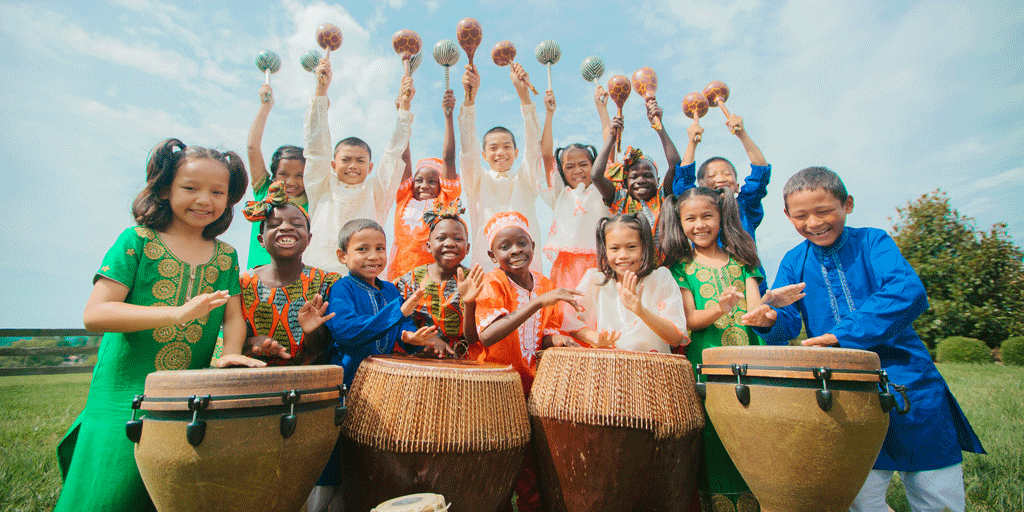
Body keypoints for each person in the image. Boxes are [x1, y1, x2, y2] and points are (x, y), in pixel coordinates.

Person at [742, 167, 985, 512]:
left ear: (848, 205)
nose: (814, 223)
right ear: (787, 215)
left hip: (909, 380)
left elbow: (907, 290)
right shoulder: (794, 260)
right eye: (801, 216)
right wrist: (769, 322)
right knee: (858, 497)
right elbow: (788, 322)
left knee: (936, 494)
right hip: (842, 389)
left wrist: (841, 335)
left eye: (824, 211)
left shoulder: (873, 242)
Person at [55, 139, 265, 512]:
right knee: (109, 491)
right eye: (191, 188)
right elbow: (96, 313)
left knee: (169, 491)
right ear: (166, 189)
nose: (205, 200)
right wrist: (175, 314)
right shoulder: (136, 241)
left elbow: (233, 316)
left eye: (217, 192)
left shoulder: (226, 256)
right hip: (123, 396)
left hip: (187, 398)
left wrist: (230, 355)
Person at [659, 185, 802, 511]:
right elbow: (690, 320)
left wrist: (769, 308)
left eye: (707, 216)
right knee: (715, 438)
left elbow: (755, 312)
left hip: (751, 363)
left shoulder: (743, 261)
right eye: (690, 219)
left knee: (756, 435)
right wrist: (720, 309)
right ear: (680, 223)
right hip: (706, 367)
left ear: (721, 217)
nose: (700, 225)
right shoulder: (680, 268)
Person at [312, 219, 454, 512]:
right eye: (362, 249)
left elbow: (400, 328)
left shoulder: (389, 290)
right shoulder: (341, 289)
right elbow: (348, 331)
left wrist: (410, 338)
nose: (373, 256)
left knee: (366, 464)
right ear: (342, 256)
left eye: (380, 248)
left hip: (381, 391)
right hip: (347, 386)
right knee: (334, 462)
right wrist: (398, 313)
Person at [474, 211, 589, 512]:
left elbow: (543, 334)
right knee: (497, 464)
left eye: (521, 243)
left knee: (533, 468)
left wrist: (558, 340)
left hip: (532, 386)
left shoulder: (544, 284)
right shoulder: (493, 282)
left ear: (533, 246)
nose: (515, 251)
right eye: (505, 246)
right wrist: (538, 302)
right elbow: (487, 335)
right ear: (492, 255)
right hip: (495, 387)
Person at [303, 56, 415, 274]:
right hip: (317, 276)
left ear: (370, 167)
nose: (353, 165)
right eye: (346, 160)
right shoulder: (321, 185)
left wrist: (404, 110)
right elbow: (316, 148)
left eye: (360, 160)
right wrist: (320, 92)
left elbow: (393, 156)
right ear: (333, 165)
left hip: (363, 280)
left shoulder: (376, 192)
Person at [239, 182, 339, 365]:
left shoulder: (326, 282)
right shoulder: (242, 284)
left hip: (308, 379)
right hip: (252, 377)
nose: (286, 227)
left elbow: (323, 349)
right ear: (261, 240)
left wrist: (311, 331)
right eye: (274, 224)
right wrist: (252, 343)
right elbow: (225, 341)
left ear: (309, 239)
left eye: (297, 224)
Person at [672, 110, 771, 293]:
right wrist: (692, 142)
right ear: (700, 187)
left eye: (727, 174)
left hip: (751, 288)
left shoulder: (745, 207)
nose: (721, 179)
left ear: (737, 186)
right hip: (708, 288)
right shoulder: (698, 215)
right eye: (711, 176)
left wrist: (742, 134)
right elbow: (682, 187)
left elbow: (760, 173)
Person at [458, 62, 544, 272]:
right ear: (484, 155)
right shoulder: (476, 180)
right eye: (493, 148)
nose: (500, 152)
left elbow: (534, 147)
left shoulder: (526, 179)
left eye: (506, 146)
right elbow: (468, 148)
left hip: (528, 268)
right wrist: (470, 99)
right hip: (487, 267)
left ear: (516, 152)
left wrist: (524, 96)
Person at [575, 214, 686, 353]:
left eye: (631, 247)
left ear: (645, 247)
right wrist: (593, 337)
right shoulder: (596, 280)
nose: (623, 255)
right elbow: (569, 321)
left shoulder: (660, 279)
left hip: (651, 364)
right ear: (605, 250)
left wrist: (640, 310)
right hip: (607, 363)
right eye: (614, 248)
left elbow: (676, 338)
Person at [394, 200, 485, 359]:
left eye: (458, 239)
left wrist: (469, 303)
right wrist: (428, 339)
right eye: (441, 238)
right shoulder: (410, 281)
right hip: (418, 360)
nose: (449, 243)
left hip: (462, 363)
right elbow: (397, 321)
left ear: (468, 248)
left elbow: (473, 337)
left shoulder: (474, 281)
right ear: (429, 246)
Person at [388, 88, 461, 280]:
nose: (423, 185)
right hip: (401, 278)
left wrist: (448, 116)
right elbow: (404, 157)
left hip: (435, 280)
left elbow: (448, 158)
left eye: (432, 181)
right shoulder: (404, 198)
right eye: (418, 180)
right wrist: (402, 114)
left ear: (441, 185)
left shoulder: (445, 201)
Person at [538, 89, 607, 290]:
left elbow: (609, 147)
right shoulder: (559, 193)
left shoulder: (603, 189)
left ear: (594, 165)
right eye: (569, 166)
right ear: (561, 171)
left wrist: (602, 109)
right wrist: (549, 114)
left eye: (583, 164)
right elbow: (546, 155)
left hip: (601, 263)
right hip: (566, 269)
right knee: (567, 309)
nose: (577, 170)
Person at [245, 82, 308, 269]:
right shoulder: (265, 191)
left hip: (298, 277)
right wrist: (265, 107)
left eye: (299, 175)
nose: (291, 181)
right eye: (283, 174)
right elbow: (252, 147)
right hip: (258, 274)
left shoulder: (312, 200)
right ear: (273, 176)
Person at [591, 115, 670, 242]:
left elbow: (675, 166)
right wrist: (611, 138)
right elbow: (596, 176)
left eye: (648, 175)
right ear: (625, 183)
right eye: (634, 177)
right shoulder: (619, 199)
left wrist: (661, 130)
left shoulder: (663, 197)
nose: (641, 180)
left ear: (658, 180)